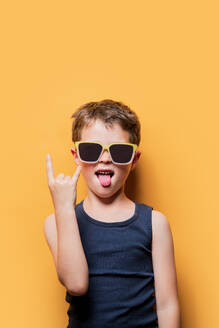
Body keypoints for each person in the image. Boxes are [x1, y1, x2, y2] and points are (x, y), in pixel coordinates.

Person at [44, 99, 181, 328]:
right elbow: (76, 284)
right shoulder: (57, 222)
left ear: (134, 159)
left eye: (119, 151)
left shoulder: (155, 224)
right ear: (76, 155)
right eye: (91, 150)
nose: (105, 158)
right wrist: (64, 208)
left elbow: (168, 305)